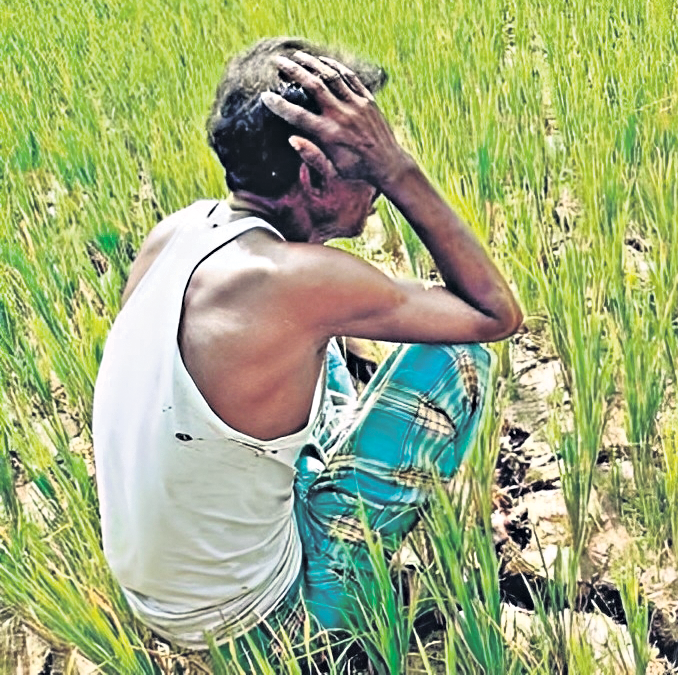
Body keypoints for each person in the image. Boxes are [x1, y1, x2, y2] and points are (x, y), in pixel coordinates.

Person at [91, 37, 523, 661]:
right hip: (265, 627)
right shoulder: (295, 283)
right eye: (366, 156)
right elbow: (494, 314)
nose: (376, 180)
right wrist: (398, 169)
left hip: (165, 604)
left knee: (329, 356)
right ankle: (350, 609)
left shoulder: (177, 234)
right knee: (458, 359)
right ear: (312, 171)